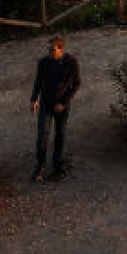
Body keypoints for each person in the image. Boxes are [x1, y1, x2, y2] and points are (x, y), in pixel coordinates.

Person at [30, 34, 80, 182]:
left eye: (52, 49)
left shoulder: (71, 62)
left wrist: (64, 102)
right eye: (48, 49)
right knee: (42, 136)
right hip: (46, 103)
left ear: (61, 49)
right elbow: (38, 82)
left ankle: (58, 167)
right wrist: (34, 99)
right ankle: (40, 167)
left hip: (62, 105)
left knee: (60, 135)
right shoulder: (43, 63)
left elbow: (77, 84)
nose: (49, 52)